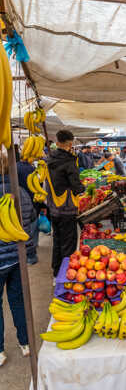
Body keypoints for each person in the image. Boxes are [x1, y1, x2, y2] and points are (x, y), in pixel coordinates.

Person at [0, 152, 36, 366]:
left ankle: (0, 351)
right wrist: (29, 251)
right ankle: (25, 344)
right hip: (16, 258)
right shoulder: (19, 191)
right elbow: (30, 219)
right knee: (18, 301)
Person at [46, 130, 85, 283]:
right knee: (68, 242)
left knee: (57, 239)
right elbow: (76, 187)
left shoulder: (50, 158)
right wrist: (82, 188)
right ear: (70, 143)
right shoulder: (69, 161)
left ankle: (56, 272)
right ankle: (65, 276)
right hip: (67, 208)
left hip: (54, 207)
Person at [16, 159, 39, 265]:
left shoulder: (16, 168)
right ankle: (32, 253)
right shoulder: (32, 168)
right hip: (30, 200)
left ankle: (30, 253)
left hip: (23, 201)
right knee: (31, 227)